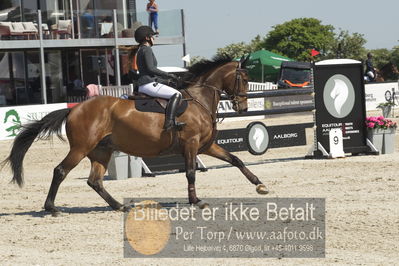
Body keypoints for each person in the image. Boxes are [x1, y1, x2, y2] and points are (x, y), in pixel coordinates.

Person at [134, 25, 184, 131]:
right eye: (153, 36)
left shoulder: (140, 50)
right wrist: (169, 75)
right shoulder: (146, 49)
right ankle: (169, 123)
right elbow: (151, 69)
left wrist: (165, 81)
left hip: (145, 83)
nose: (154, 38)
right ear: (147, 38)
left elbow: (149, 72)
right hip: (147, 84)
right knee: (177, 94)